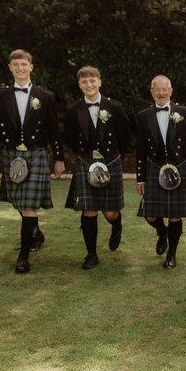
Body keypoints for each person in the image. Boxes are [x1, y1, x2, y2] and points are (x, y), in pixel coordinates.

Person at [0, 49, 64, 273]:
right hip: (11, 155)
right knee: (19, 203)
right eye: (15, 65)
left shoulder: (45, 97)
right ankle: (35, 232)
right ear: (10, 67)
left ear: (31, 67)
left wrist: (59, 158)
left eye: (23, 65)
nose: (20, 68)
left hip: (36, 155)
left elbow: (54, 130)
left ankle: (23, 256)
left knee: (28, 206)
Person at [64, 66, 130, 269]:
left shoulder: (114, 107)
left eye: (92, 80)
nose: (89, 85)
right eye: (84, 82)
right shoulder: (73, 109)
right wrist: (85, 156)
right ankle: (91, 254)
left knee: (110, 212)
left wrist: (113, 158)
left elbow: (125, 136)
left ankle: (116, 225)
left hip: (110, 161)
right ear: (79, 85)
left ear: (99, 82)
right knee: (89, 210)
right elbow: (69, 137)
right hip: (86, 162)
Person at [136, 75, 186, 269]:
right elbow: (141, 150)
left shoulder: (185, 112)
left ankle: (171, 254)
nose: (161, 93)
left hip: (179, 168)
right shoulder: (143, 116)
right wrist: (140, 178)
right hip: (155, 167)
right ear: (152, 92)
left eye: (164, 90)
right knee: (149, 214)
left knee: (175, 215)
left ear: (171, 91)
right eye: (157, 90)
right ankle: (162, 232)